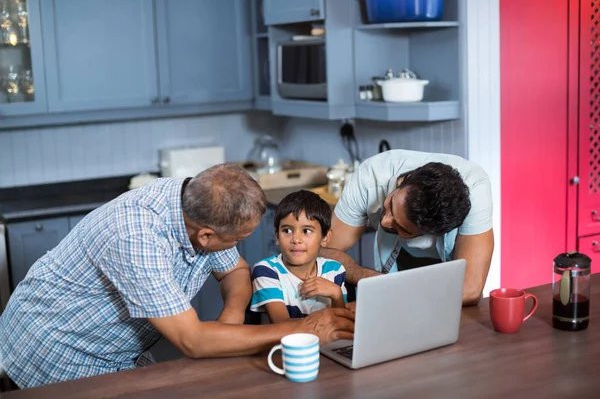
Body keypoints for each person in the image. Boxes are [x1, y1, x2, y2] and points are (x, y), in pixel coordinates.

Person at [0, 165, 354, 389]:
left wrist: (230, 319)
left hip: (122, 352)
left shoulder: (199, 200)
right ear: (206, 237)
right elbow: (192, 341)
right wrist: (305, 328)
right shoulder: (137, 236)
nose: (240, 248)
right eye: (237, 241)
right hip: (57, 351)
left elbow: (235, 271)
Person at [320, 149, 494, 306]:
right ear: (404, 180)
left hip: (443, 269)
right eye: (391, 205)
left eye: (401, 226)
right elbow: (322, 251)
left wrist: (401, 291)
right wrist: (366, 277)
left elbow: (470, 290)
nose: (385, 222)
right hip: (399, 263)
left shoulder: (475, 191)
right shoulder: (370, 177)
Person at [251, 190, 347, 323]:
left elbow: (341, 323)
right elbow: (283, 325)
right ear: (277, 235)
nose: (296, 239)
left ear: (325, 237)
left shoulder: (335, 270)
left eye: (306, 231)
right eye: (287, 230)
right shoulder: (267, 271)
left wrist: (337, 295)